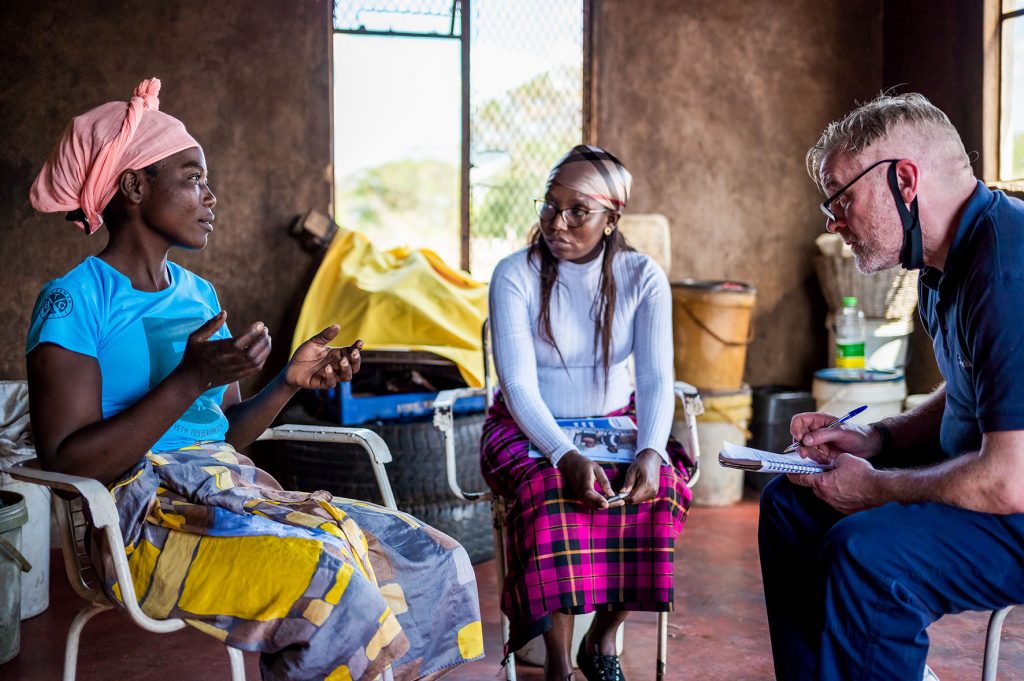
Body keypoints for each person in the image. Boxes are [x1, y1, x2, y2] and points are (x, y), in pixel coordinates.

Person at [26, 78, 482, 681]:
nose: (211, 196)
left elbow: (224, 439)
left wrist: (288, 382)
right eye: (192, 178)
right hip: (138, 526)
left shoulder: (199, 296)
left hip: (235, 492)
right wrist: (187, 380)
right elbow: (69, 461)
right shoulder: (73, 301)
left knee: (437, 556)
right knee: (331, 582)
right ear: (134, 187)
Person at [759, 92, 1024, 681]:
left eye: (842, 198)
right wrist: (874, 441)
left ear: (905, 180)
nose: (833, 221)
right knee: (789, 502)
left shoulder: (1005, 270)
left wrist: (876, 490)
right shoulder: (939, 261)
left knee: (868, 558)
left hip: (1015, 503)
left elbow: (1009, 481)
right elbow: (964, 391)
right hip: (995, 481)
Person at [482, 145, 692, 681]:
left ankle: (600, 641)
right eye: (550, 206)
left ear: (612, 218)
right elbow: (519, 385)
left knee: (659, 487)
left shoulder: (642, 277)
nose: (558, 222)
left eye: (579, 211)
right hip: (525, 424)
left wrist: (648, 448)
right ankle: (556, 665)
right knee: (550, 493)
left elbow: (653, 378)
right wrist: (564, 454)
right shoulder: (515, 274)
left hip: (614, 421)